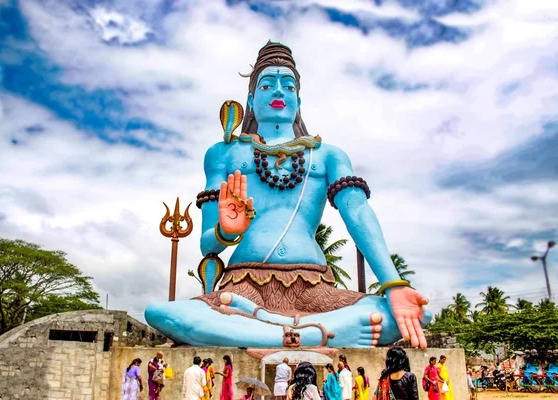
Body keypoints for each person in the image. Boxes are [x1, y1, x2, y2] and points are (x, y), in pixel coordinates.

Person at [145, 41, 431, 349]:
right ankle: (318, 334)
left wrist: (394, 285)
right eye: (268, 85)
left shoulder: (328, 156)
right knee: (162, 313)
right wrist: (226, 231)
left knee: (413, 313)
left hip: (316, 287)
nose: (279, 91)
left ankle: (271, 331)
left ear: (298, 99)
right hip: (242, 286)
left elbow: (358, 213)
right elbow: (207, 245)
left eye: (288, 85)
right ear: (252, 100)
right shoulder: (223, 155)